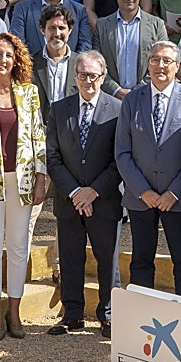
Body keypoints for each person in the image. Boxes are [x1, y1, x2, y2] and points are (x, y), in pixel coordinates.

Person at [0, 33, 47, 340]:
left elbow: (38, 137)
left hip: (23, 179)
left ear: (17, 61)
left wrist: (42, 176)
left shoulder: (28, 93)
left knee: (18, 247)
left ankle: (14, 310)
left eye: (9, 55)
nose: (3, 59)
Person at [115, 41, 181, 299]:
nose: (160, 65)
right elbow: (122, 152)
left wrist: (174, 192)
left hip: (179, 198)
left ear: (177, 67)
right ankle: (143, 318)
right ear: (148, 64)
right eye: (155, 59)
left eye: (167, 61)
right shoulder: (132, 100)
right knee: (141, 260)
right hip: (140, 198)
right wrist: (143, 191)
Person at [45, 51, 123, 338]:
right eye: (82, 75)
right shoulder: (59, 108)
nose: (88, 80)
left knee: (107, 260)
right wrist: (76, 192)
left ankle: (108, 315)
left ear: (103, 78)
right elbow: (52, 157)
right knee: (70, 258)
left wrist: (93, 191)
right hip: (69, 200)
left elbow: (120, 159)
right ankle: (73, 314)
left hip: (103, 200)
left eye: (93, 75)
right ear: (74, 77)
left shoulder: (117, 109)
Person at [29, 3, 80, 283]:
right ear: (42, 30)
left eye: (62, 28)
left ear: (70, 31)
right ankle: (20, 269)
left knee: (67, 213)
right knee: (31, 211)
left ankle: (60, 268)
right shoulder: (29, 64)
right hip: (37, 148)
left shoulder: (82, 65)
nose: (56, 32)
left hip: (71, 149)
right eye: (51, 28)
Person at [92, 0, 168, 98]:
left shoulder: (157, 24)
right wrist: (115, 90)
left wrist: (138, 91)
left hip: (146, 96)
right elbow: (96, 64)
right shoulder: (101, 26)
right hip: (110, 98)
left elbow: (163, 61)